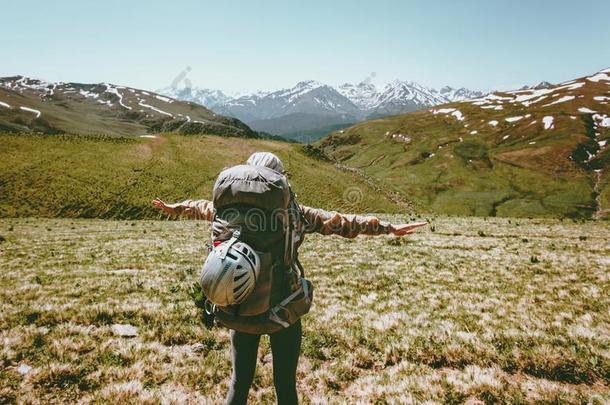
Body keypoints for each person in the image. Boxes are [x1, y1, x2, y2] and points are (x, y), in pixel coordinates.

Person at [152, 152, 426, 405]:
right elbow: (343, 223)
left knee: (239, 381)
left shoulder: (226, 211)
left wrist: (174, 207)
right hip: (283, 310)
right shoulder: (294, 213)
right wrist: (389, 228)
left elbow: (199, 207)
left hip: (240, 307)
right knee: (285, 385)